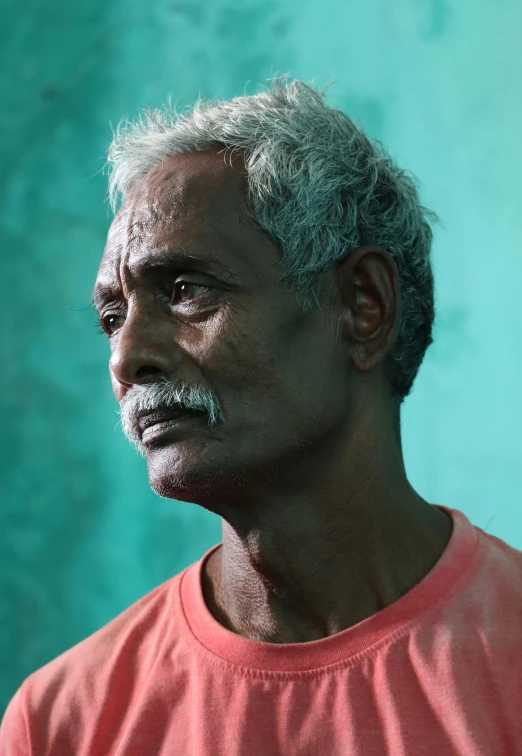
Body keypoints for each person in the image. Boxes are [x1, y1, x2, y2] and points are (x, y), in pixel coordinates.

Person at [1, 75, 521, 756]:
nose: (128, 358)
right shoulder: (63, 723)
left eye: (186, 290)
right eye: (112, 316)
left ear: (362, 306)